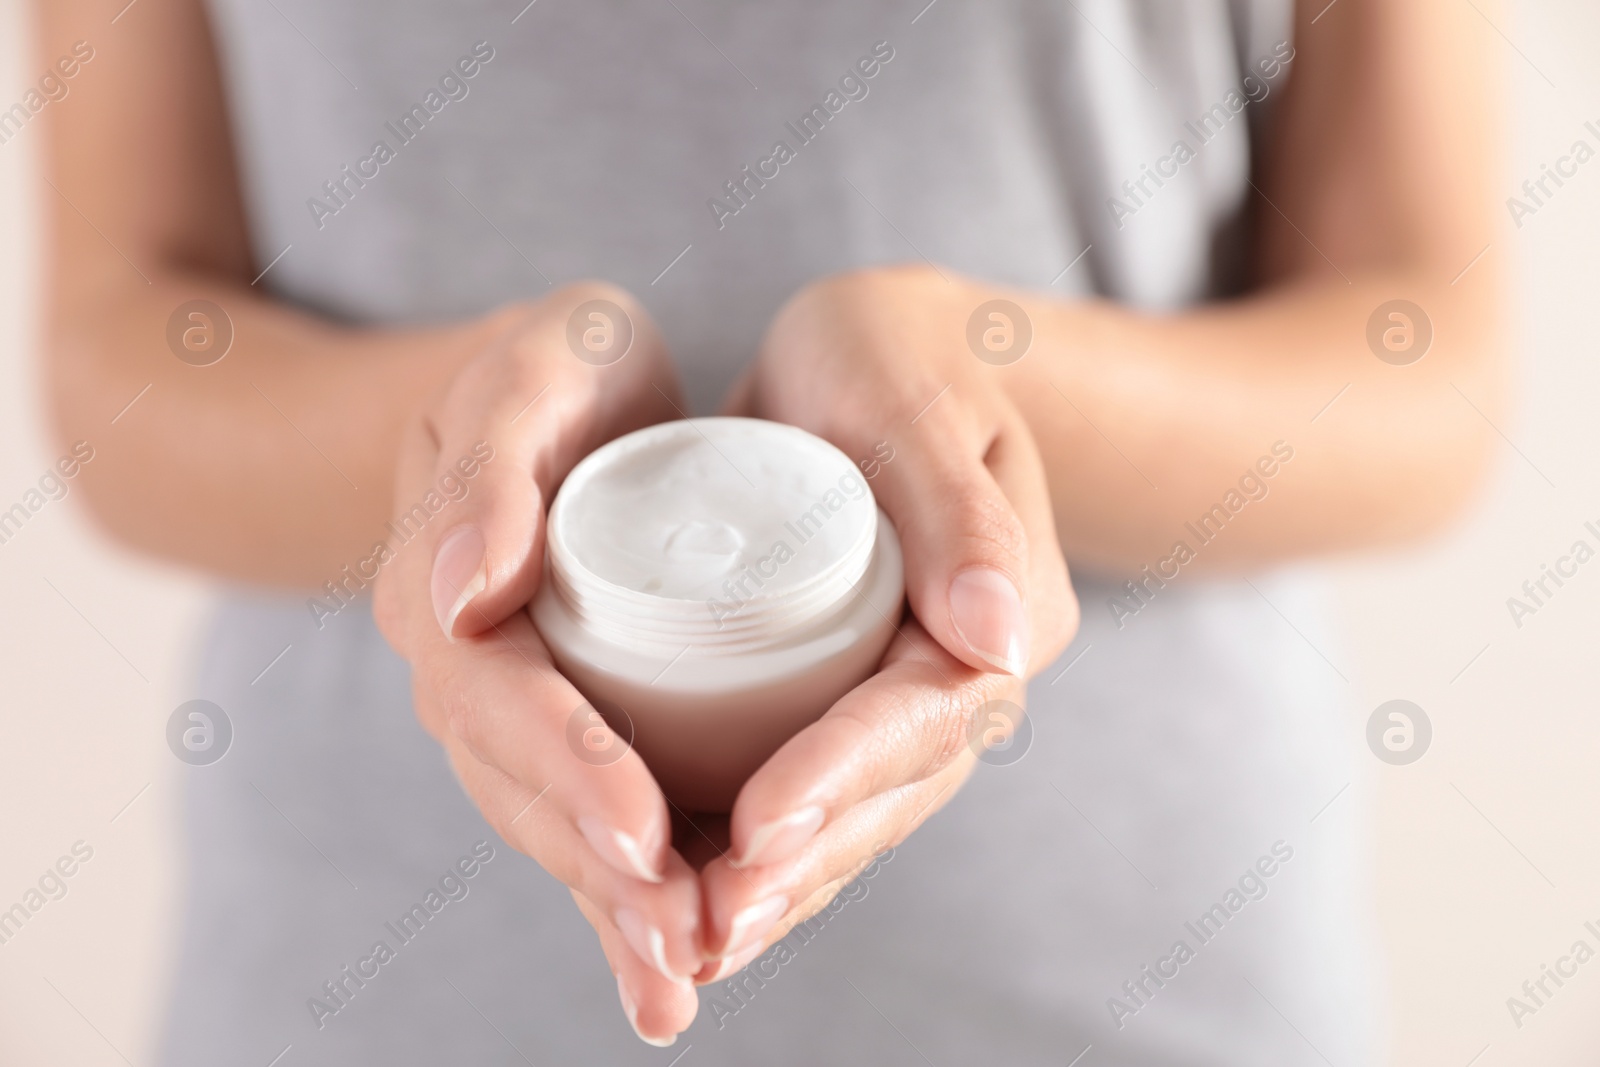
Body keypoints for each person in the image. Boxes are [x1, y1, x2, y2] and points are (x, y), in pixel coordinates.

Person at [39, 0, 1502, 1061]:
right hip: (375, 986)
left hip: (1131, 978)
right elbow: (121, 352)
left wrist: (977, 380)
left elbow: (1425, 360)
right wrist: (451, 436)